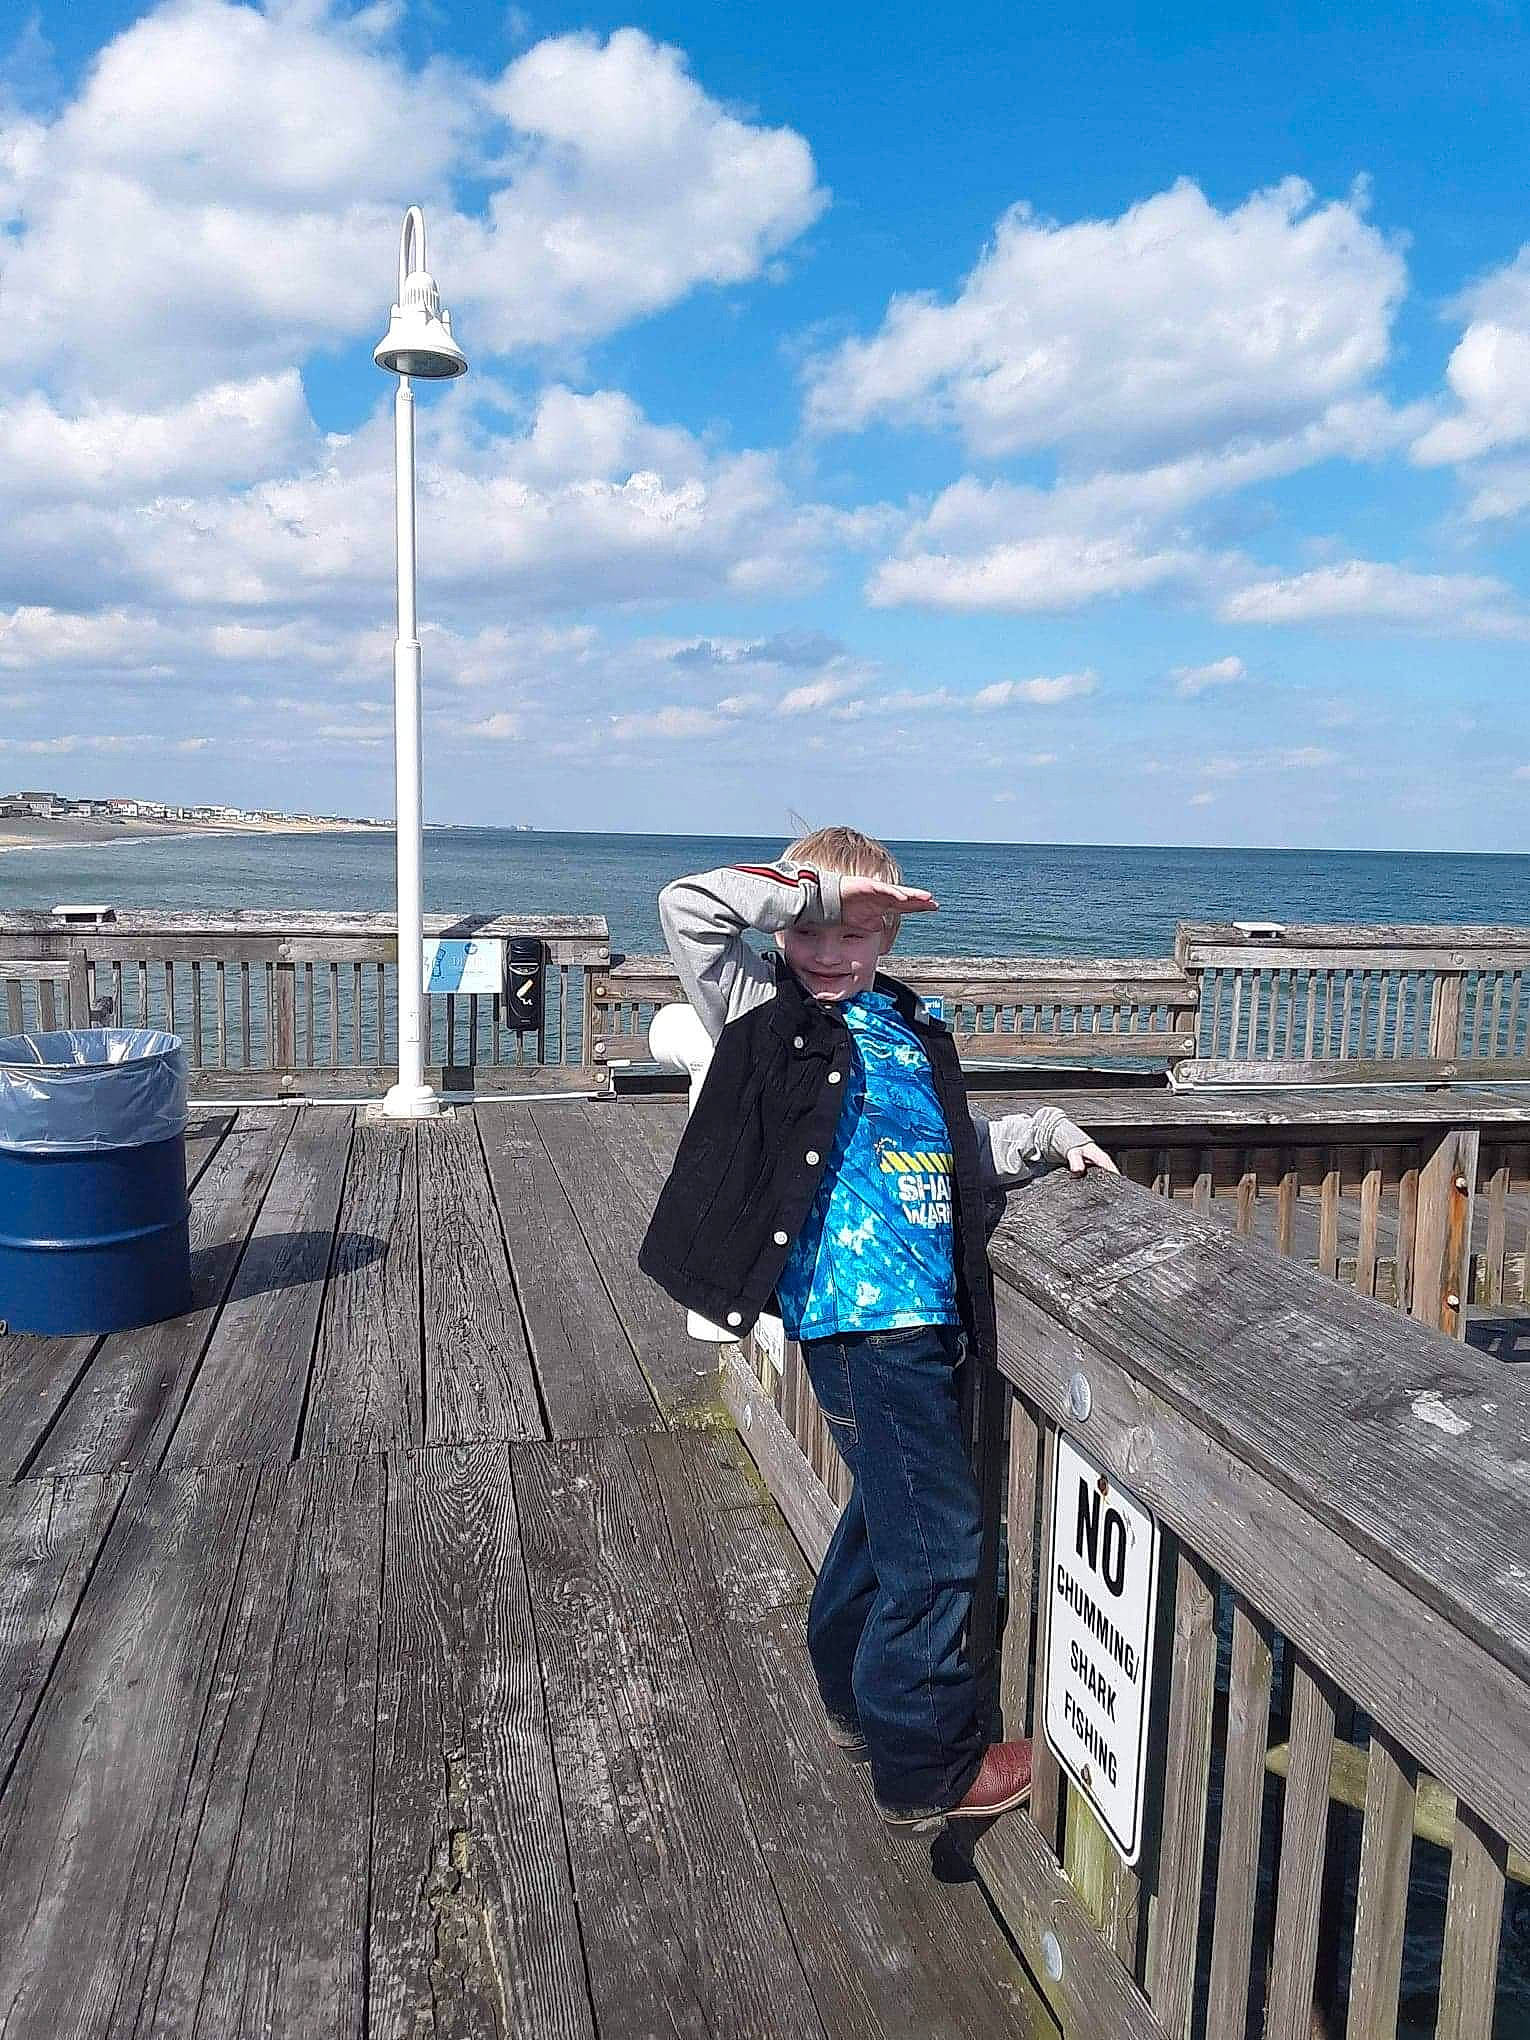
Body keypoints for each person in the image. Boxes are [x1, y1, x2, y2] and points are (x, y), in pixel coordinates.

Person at [639, 826, 1117, 1833]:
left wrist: (1043, 1136)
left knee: (886, 1521)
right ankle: (924, 1768)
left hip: (931, 1315)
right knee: (940, 1549)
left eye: (854, 933)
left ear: (892, 935)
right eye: (810, 930)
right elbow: (689, 907)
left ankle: (851, 1692)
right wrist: (812, 893)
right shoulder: (766, 1013)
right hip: (860, 1325)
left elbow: (943, 1143)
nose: (827, 951)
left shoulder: (904, 1024)